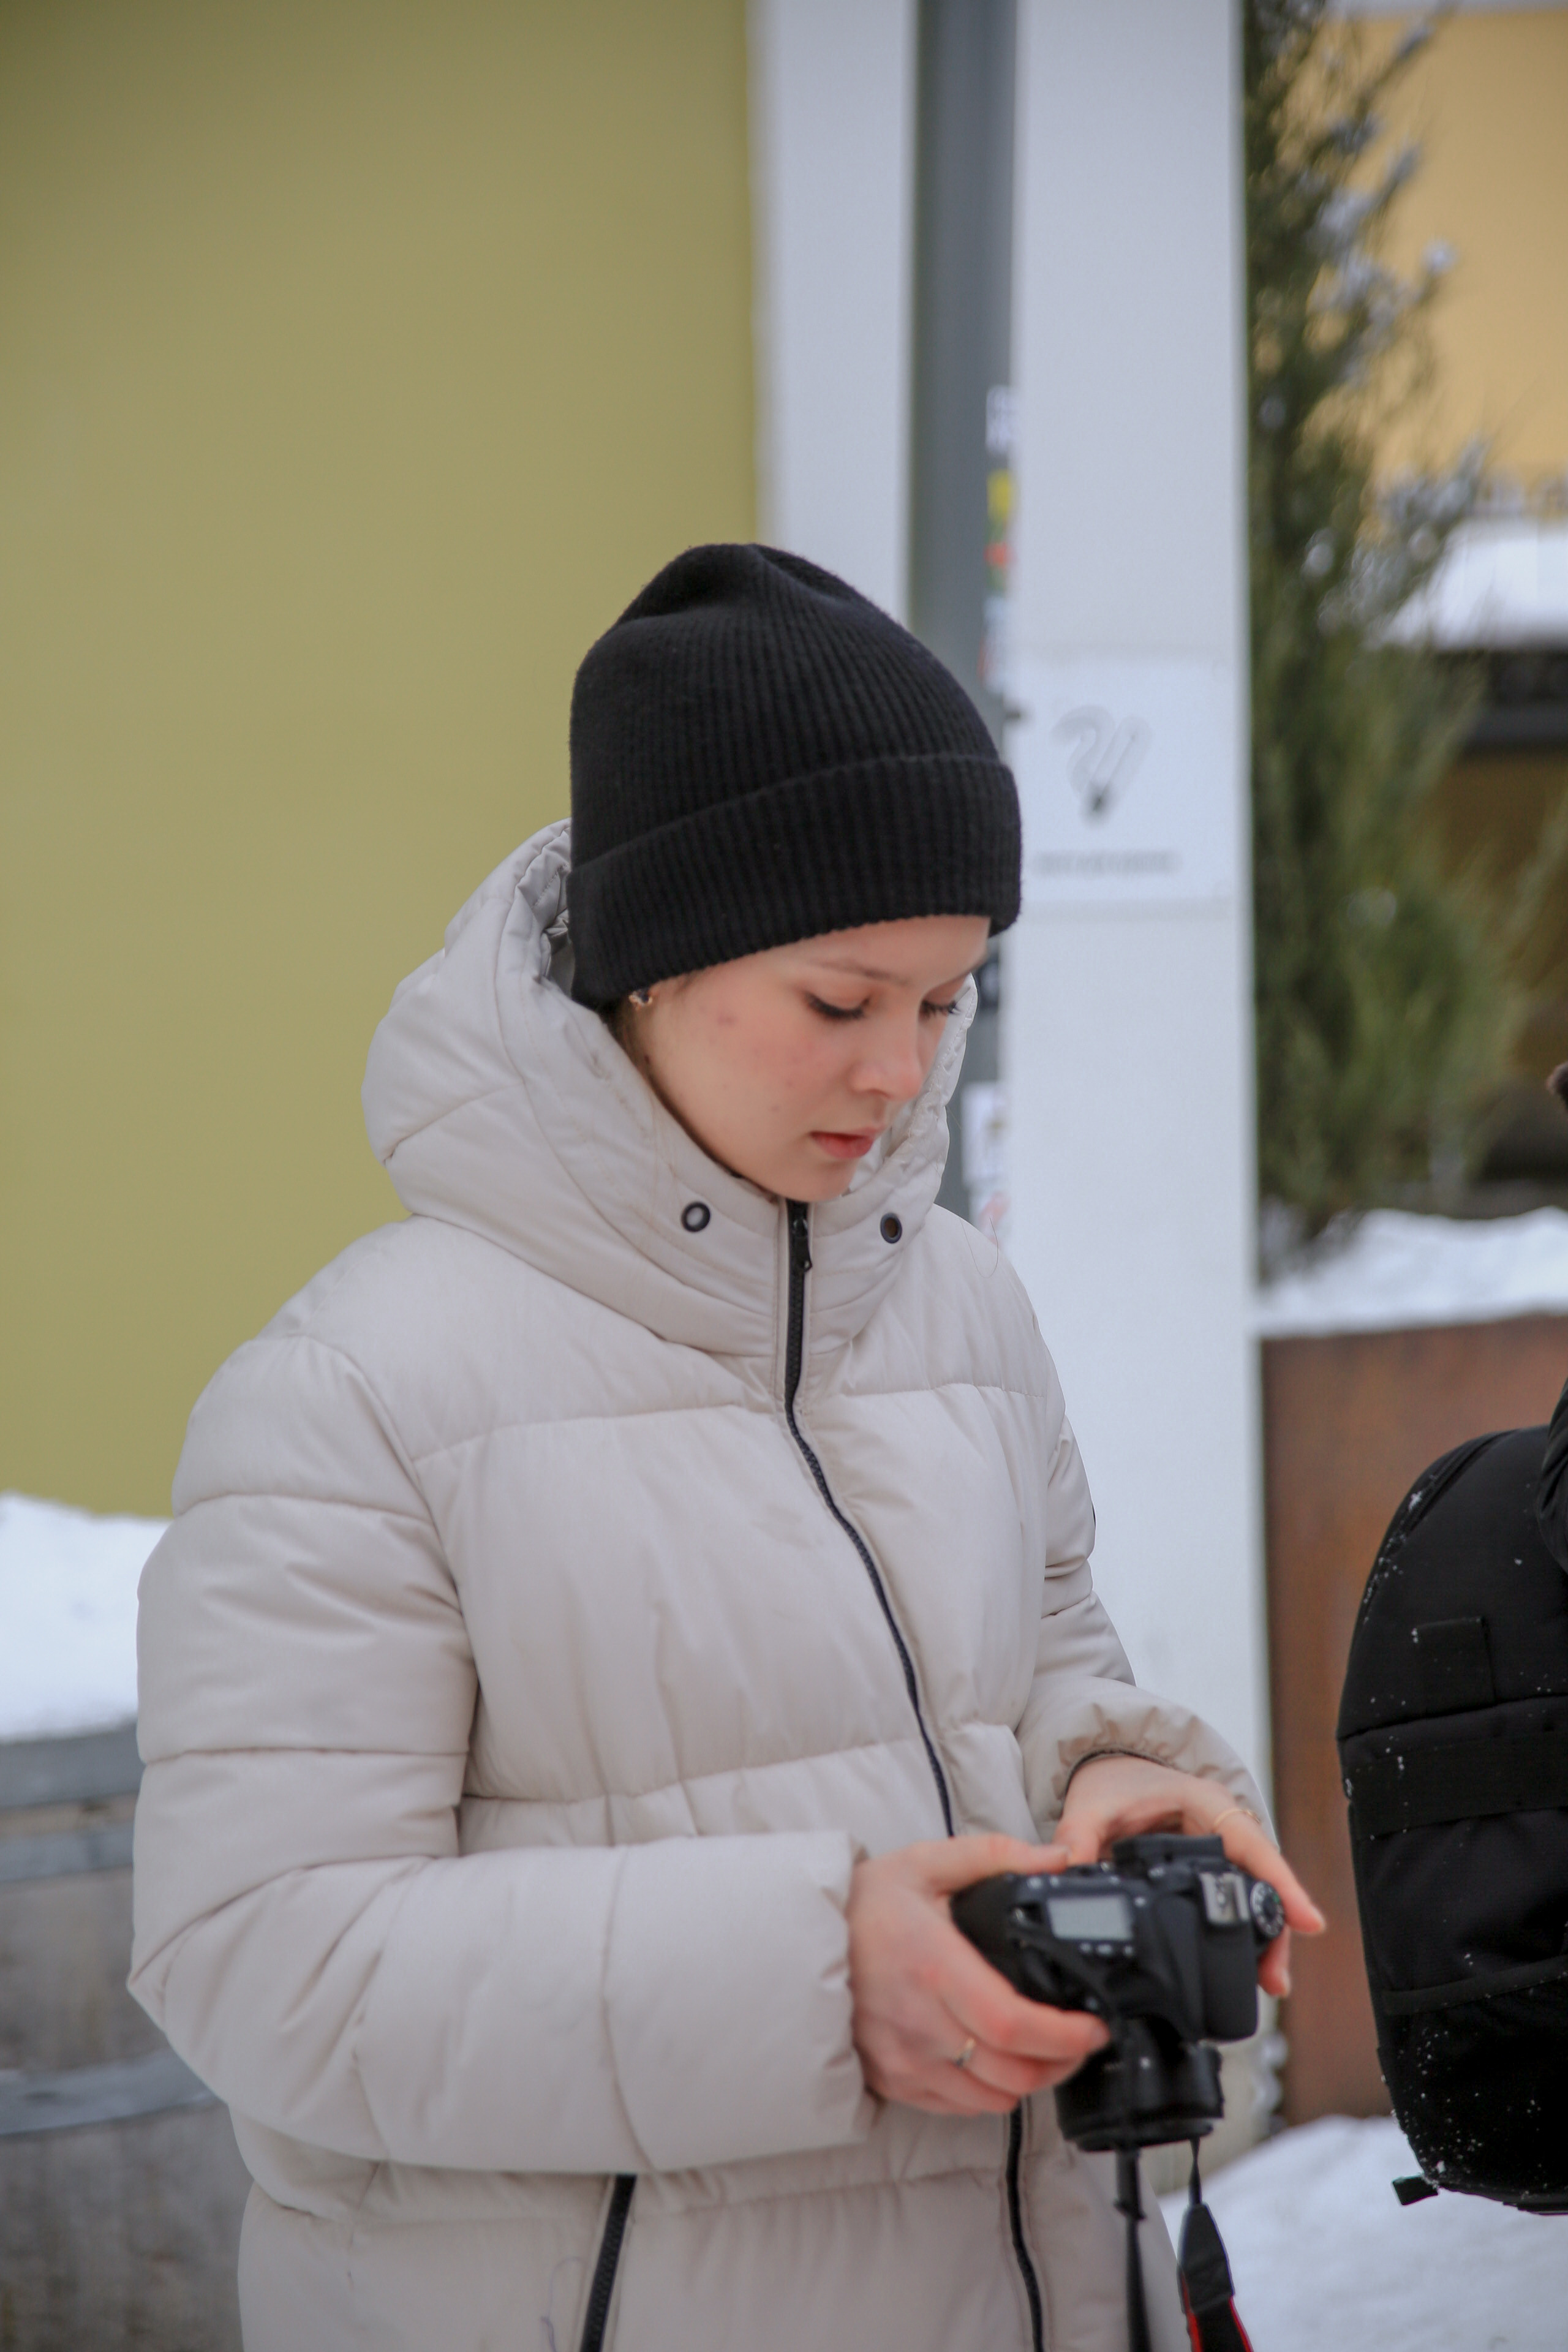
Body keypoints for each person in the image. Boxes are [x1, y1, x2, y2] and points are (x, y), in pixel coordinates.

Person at [131, 545, 1320, 2352]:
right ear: (649, 967)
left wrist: (1118, 1789)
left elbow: (1052, 1667)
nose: (901, 1075)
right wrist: (814, 1977)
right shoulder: (356, 1392)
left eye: (946, 1001)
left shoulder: (964, 1316)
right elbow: (263, 1961)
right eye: (842, 1004)